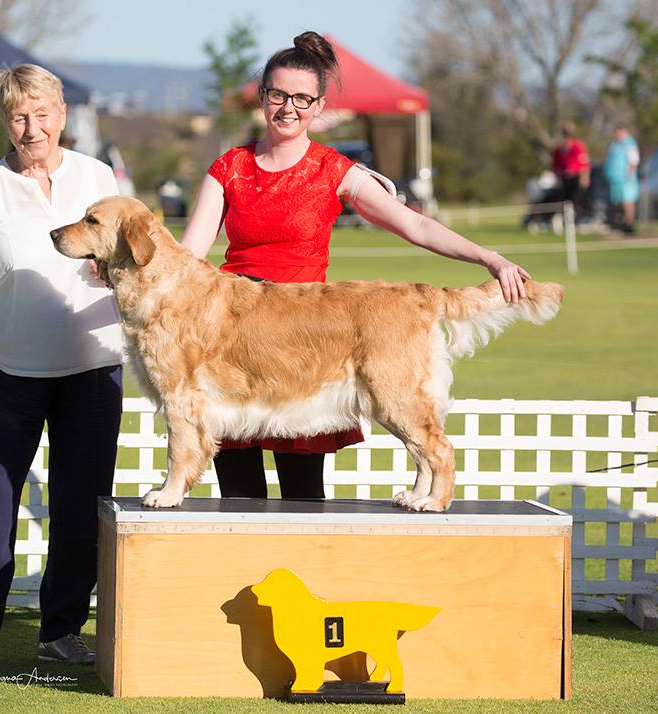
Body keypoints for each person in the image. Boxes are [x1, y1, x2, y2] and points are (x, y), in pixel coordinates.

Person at [180, 31, 530, 501]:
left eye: (302, 98)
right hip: (233, 343)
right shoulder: (229, 168)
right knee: (238, 494)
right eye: (279, 94)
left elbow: (416, 227)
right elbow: (188, 261)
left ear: (319, 105)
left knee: (302, 496)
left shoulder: (335, 170)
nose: (289, 108)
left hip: (308, 341)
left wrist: (489, 257)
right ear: (263, 96)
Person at [0, 64, 124, 670]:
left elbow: (134, 259)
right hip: (6, 371)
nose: (31, 127)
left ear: (63, 115)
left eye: (42, 113)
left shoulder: (99, 178)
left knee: (80, 507)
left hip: (92, 372)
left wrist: (112, 272)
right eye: (19, 115)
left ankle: (61, 629)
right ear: (5, 120)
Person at [603, 125, 640, 234]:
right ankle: (618, 223)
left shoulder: (629, 144)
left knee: (627, 201)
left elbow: (633, 161)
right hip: (615, 178)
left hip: (626, 178)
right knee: (616, 202)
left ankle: (629, 224)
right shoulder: (614, 144)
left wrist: (629, 176)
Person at [551, 122, 591, 221]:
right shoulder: (558, 150)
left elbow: (584, 163)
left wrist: (585, 177)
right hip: (564, 179)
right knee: (564, 200)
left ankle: (578, 219)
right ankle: (565, 220)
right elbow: (556, 166)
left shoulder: (578, 146)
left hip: (576, 178)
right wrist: (558, 177)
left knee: (577, 199)